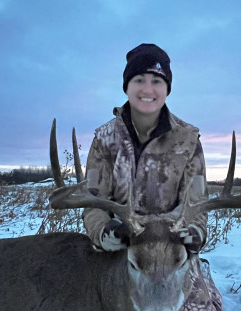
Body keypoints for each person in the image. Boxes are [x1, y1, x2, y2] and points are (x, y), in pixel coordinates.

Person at [83, 43, 207, 253]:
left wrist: (196, 232)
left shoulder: (188, 139)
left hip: (172, 248)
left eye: (157, 81)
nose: (148, 89)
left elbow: (197, 202)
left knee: (203, 289)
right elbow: (94, 201)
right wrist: (102, 232)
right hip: (121, 247)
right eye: (139, 80)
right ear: (127, 87)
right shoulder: (104, 139)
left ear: (167, 89)